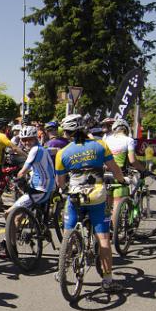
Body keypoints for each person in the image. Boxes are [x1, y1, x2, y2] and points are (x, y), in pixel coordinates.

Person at [55, 114, 127, 292]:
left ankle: (63, 268)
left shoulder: (62, 153)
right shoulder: (100, 145)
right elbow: (115, 169)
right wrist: (122, 180)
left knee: (68, 234)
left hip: (75, 197)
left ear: (67, 133)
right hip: (97, 197)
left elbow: (60, 182)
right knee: (103, 239)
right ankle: (107, 280)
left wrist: (64, 188)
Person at [0, 125, 56, 257]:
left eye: (29, 139)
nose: (26, 142)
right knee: (18, 217)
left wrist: (16, 178)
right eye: (24, 140)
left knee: (8, 214)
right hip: (42, 188)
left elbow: (23, 171)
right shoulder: (41, 148)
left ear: (35, 138)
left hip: (39, 190)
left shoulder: (34, 150)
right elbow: (51, 153)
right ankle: (6, 243)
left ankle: (10, 249)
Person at [103, 117, 146, 226]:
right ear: (126, 129)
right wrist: (143, 170)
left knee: (107, 206)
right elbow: (132, 160)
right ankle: (115, 228)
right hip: (120, 175)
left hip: (105, 175)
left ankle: (107, 229)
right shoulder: (128, 140)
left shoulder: (107, 139)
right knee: (117, 204)